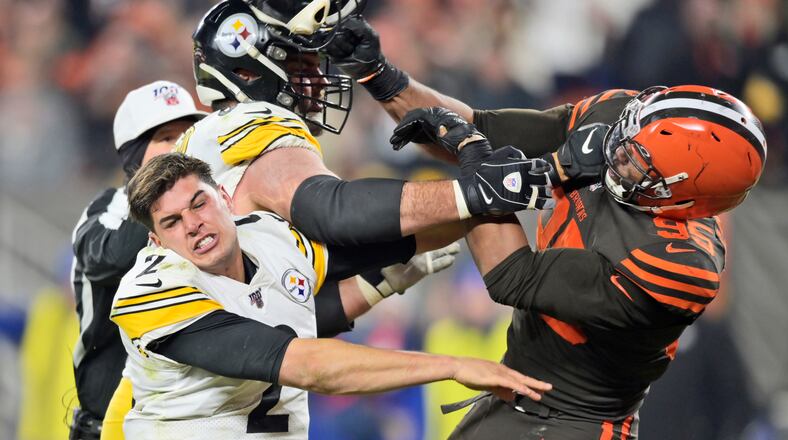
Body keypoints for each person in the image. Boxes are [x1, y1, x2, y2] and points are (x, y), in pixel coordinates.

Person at [387, 86, 766, 438]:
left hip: (574, 421)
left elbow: (511, 275)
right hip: (511, 390)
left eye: (637, 160)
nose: (615, 150)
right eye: (625, 134)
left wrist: (489, 158)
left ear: (684, 196)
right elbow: (484, 126)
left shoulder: (678, 264)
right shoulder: (624, 121)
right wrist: (381, 77)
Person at [111, 152, 552, 439]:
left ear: (225, 197)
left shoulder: (269, 238)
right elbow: (307, 365)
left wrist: (489, 198)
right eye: (172, 223)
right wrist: (453, 366)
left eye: (199, 204)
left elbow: (389, 242)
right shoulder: (154, 292)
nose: (193, 225)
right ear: (156, 242)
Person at [176, 0, 554, 256]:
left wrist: (379, 280)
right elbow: (332, 211)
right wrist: (468, 194)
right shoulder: (252, 123)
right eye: (304, 67)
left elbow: (302, 288)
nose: (321, 83)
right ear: (246, 71)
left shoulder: (217, 138)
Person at [70, 80, 206, 440]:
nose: (180, 146)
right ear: (133, 155)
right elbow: (110, 258)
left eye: (187, 134)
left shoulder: (211, 216)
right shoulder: (106, 210)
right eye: (165, 137)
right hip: (107, 429)